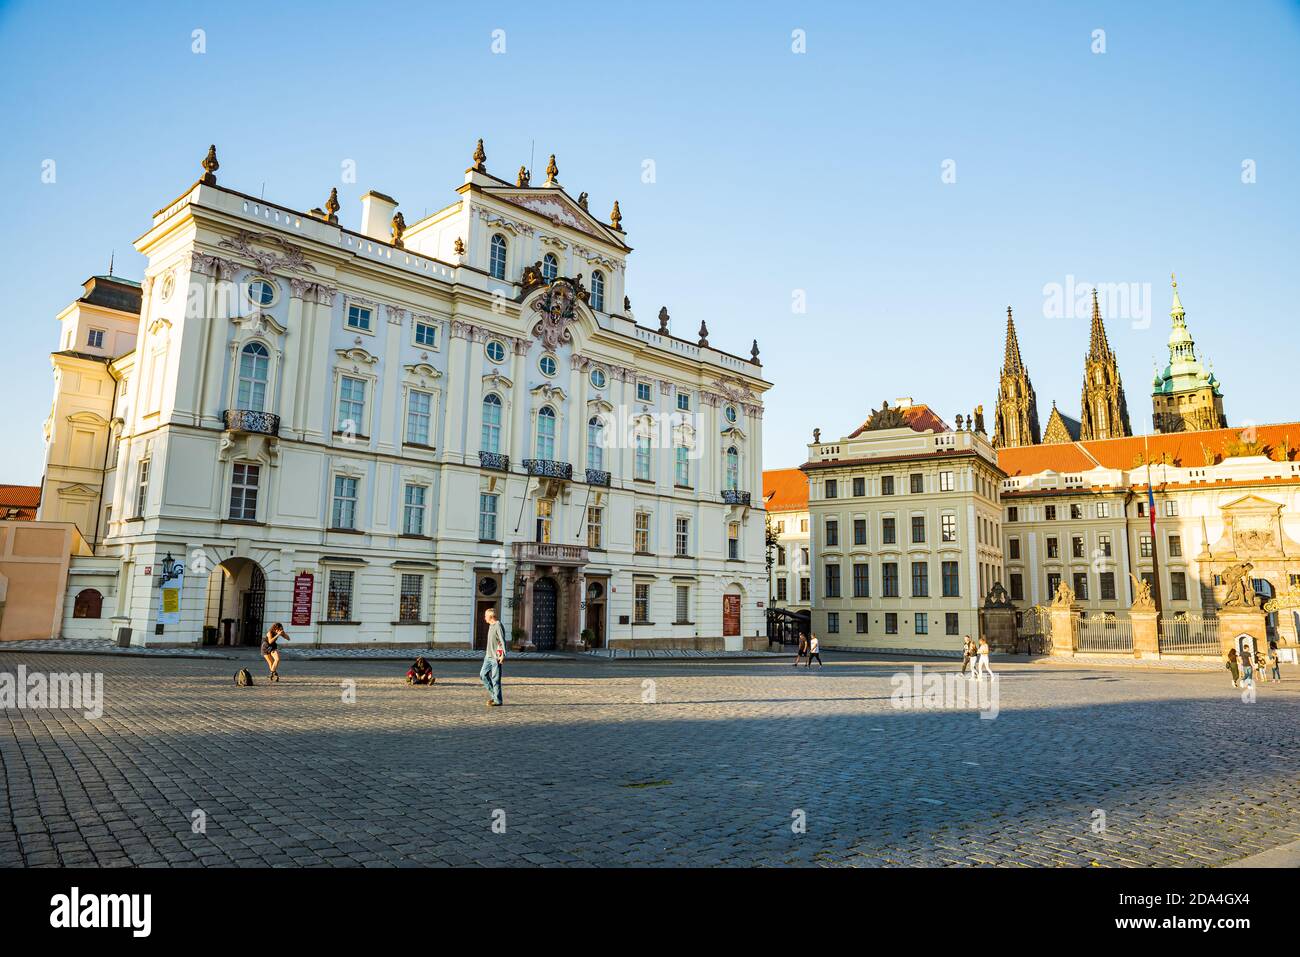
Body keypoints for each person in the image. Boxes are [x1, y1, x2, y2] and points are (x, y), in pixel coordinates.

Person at [480, 606, 506, 707]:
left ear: (491, 616)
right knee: (483, 675)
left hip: (495, 658)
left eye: (486, 616)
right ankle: (494, 696)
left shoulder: (498, 625)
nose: (484, 618)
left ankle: (498, 700)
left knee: (495, 679)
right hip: (488, 656)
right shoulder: (491, 625)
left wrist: (502, 654)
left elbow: (501, 641)